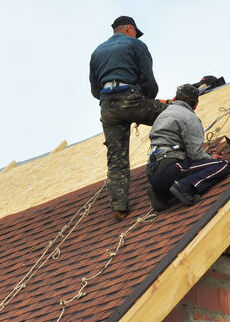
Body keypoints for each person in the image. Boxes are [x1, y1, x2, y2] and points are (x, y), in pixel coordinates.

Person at [89, 16, 167, 220]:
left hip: (107, 106)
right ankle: (180, 163)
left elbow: (95, 89)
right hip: (131, 97)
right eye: (135, 31)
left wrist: (112, 100)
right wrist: (146, 103)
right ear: (130, 28)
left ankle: (119, 207)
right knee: (172, 114)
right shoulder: (136, 44)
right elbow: (148, 80)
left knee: (116, 158)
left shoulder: (97, 52)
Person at [146, 84, 230, 211]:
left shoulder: (162, 116)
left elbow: (176, 147)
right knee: (223, 164)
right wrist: (210, 158)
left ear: (175, 99)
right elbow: (195, 155)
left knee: (189, 167)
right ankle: (184, 187)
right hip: (172, 168)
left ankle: (162, 195)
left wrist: (206, 156)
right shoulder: (189, 117)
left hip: (153, 173)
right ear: (195, 104)